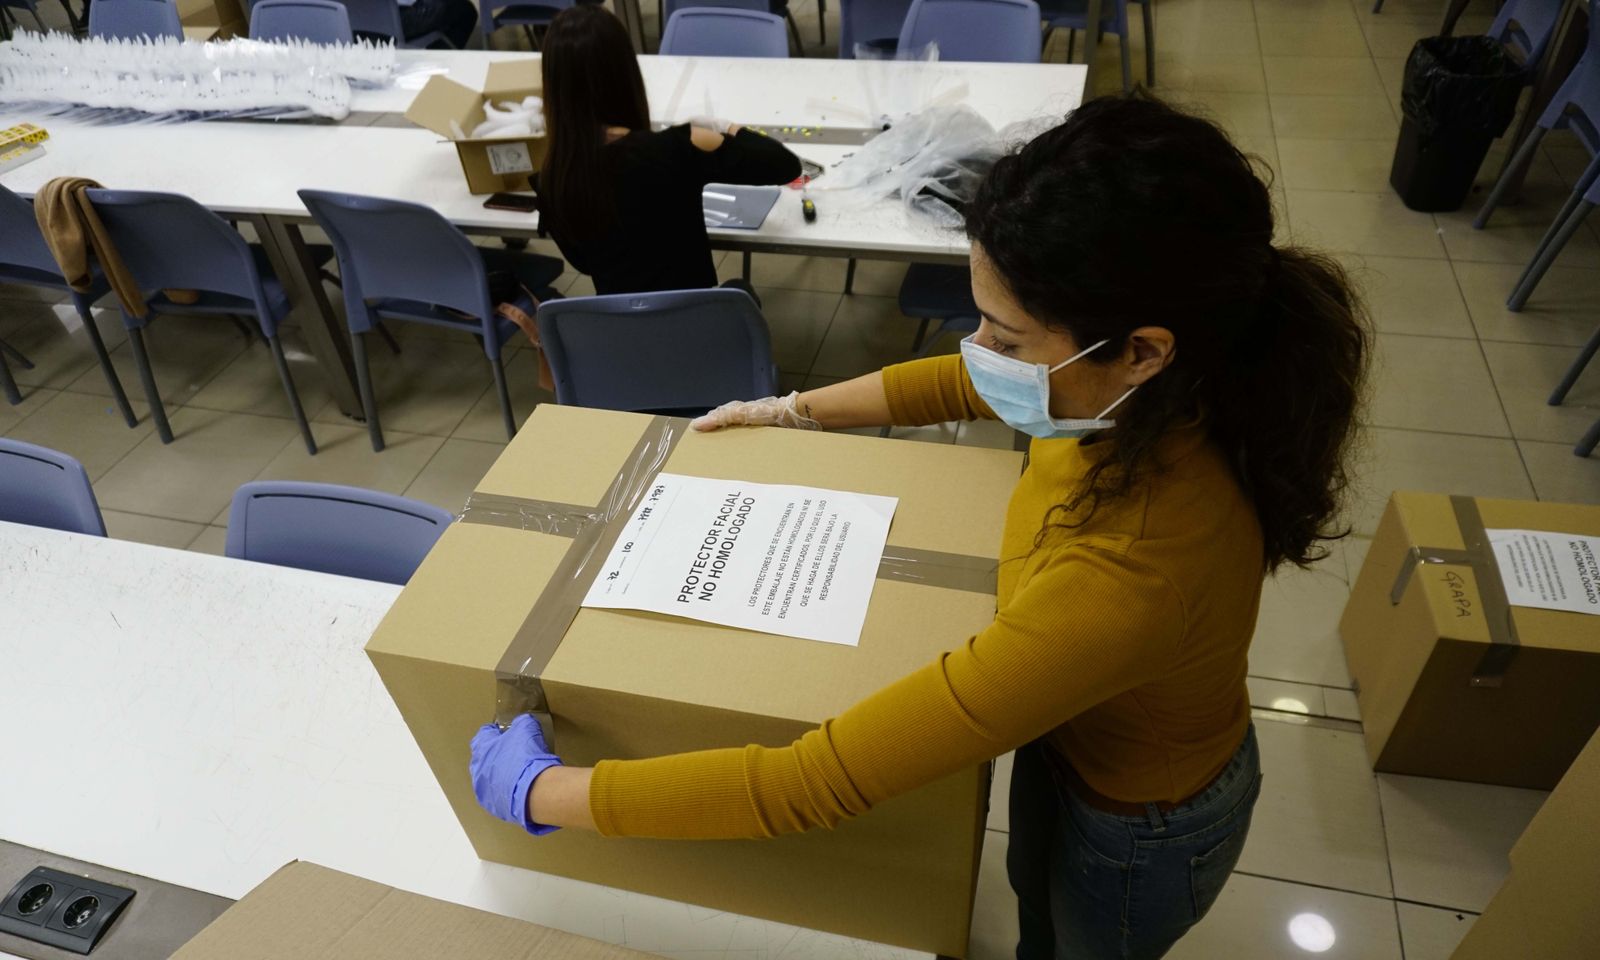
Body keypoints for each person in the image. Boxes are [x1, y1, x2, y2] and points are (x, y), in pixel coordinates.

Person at [469, 93, 1370, 960]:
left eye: (1008, 337)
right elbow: (961, 380)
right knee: (1034, 907)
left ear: (1142, 348)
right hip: (1078, 742)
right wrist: (792, 410)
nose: (983, 351)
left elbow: (812, 781)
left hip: (1142, 824)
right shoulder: (1141, 395)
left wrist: (551, 791)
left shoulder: (1131, 575)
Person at [532, 4, 802, 297]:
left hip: (620, 334)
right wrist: (729, 127)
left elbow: (585, 264)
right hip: (694, 323)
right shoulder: (676, 146)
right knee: (739, 291)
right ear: (625, 70)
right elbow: (784, 165)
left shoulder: (553, 178)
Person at [396, 0, 478, 49]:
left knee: (465, 9)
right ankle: (441, 60)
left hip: (390, 15)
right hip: (400, 15)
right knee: (467, 13)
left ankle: (439, 56)